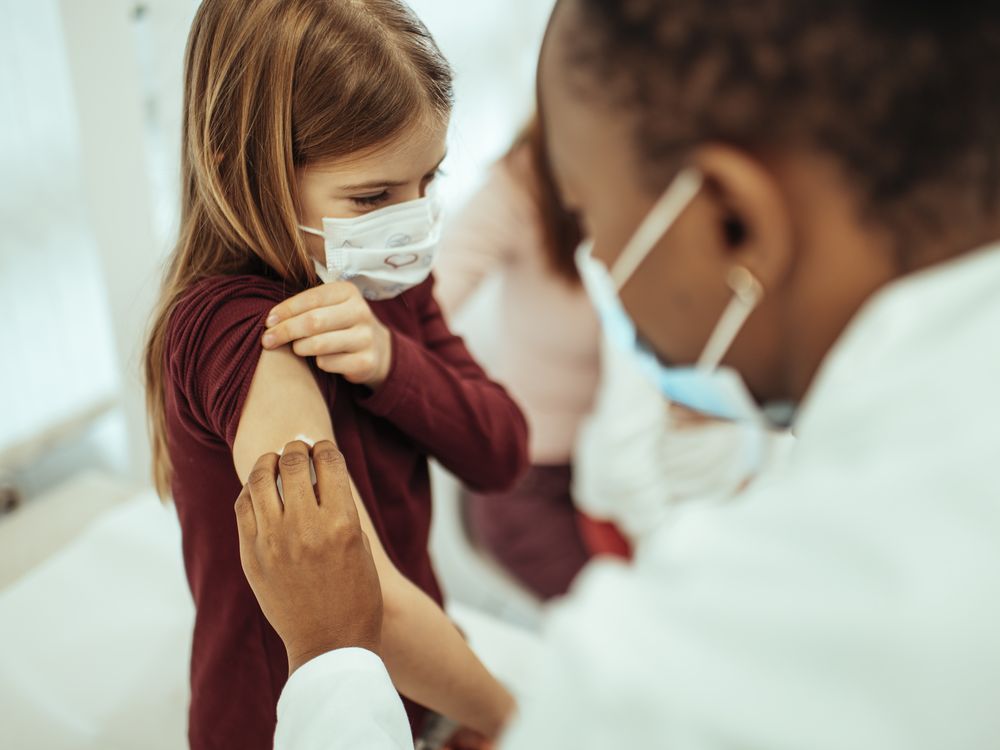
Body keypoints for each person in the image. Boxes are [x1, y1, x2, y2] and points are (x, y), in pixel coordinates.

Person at [238, 0, 1000, 747]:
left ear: (731, 219)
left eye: (595, 223)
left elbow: (495, 446)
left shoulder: (698, 651)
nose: (598, 263)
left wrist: (333, 660)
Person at [142, 1, 527, 748]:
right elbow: (360, 602)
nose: (413, 221)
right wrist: (521, 721)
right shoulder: (239, 327)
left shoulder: (385, 278)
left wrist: (393, 364)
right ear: (240, 167)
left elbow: (503, 450)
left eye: (431, 177)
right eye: (373, 198)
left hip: (411, 700)